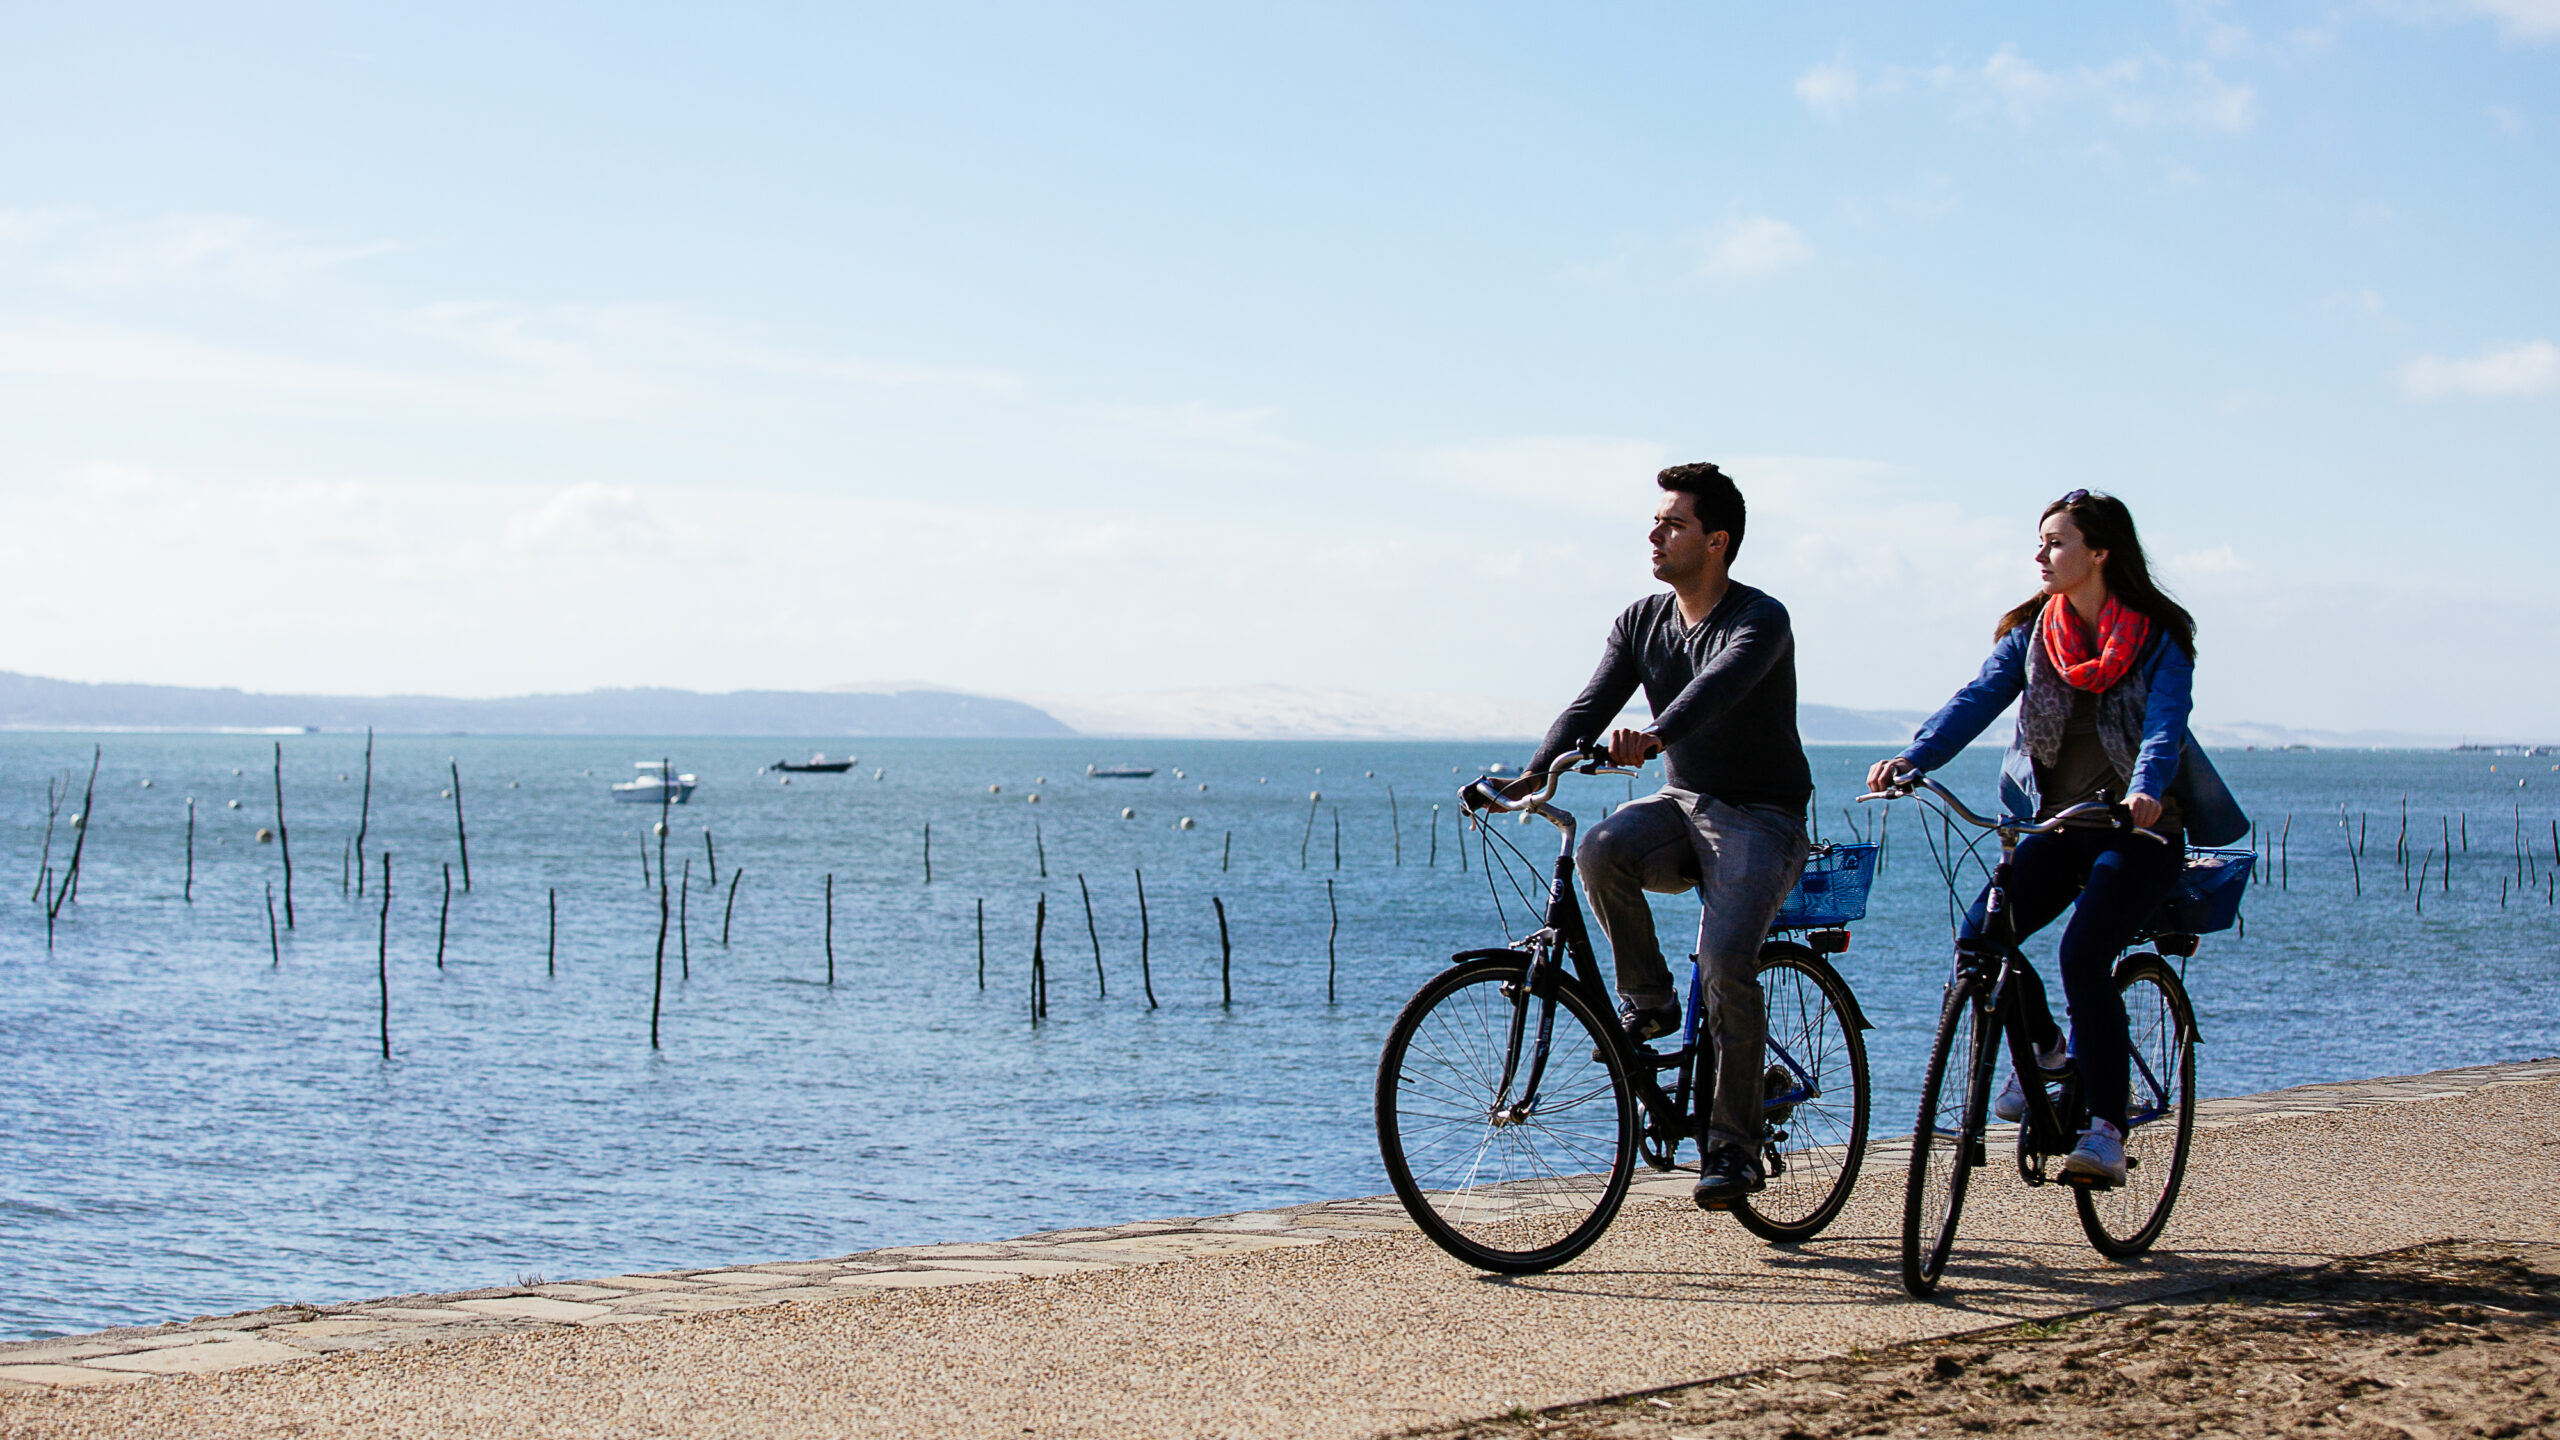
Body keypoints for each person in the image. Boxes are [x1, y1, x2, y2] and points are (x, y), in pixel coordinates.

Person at [1867, 489, 2246, 1184]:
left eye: (2056, 543)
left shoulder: (2159, 638)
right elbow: (1977, 699)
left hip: (2139, 833)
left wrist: (2146, 792)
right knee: (1980, 935)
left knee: (2082, 953)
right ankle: (2043, 1050)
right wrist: (1914, 759)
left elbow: (2165, 726)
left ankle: (2106, 1126)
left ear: (2100, 553)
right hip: (2056, 822)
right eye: (2040, 543)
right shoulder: (2036, 634)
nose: (2040, 556)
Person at [1516, 461, 1813, 1208]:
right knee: (1600, 846)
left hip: (1761, 818)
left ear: (1716, 541)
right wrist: (1528, 777)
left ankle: (1734, 1149)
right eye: (1655, 520)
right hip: (1684, 802)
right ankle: (1648, 1001)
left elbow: (1715, 691)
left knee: (1723, 965)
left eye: (1674, 523)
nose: (1656, 532)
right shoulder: (1639, 620)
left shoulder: (1759, 619)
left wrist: (1652, 736)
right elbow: (1589, 708)